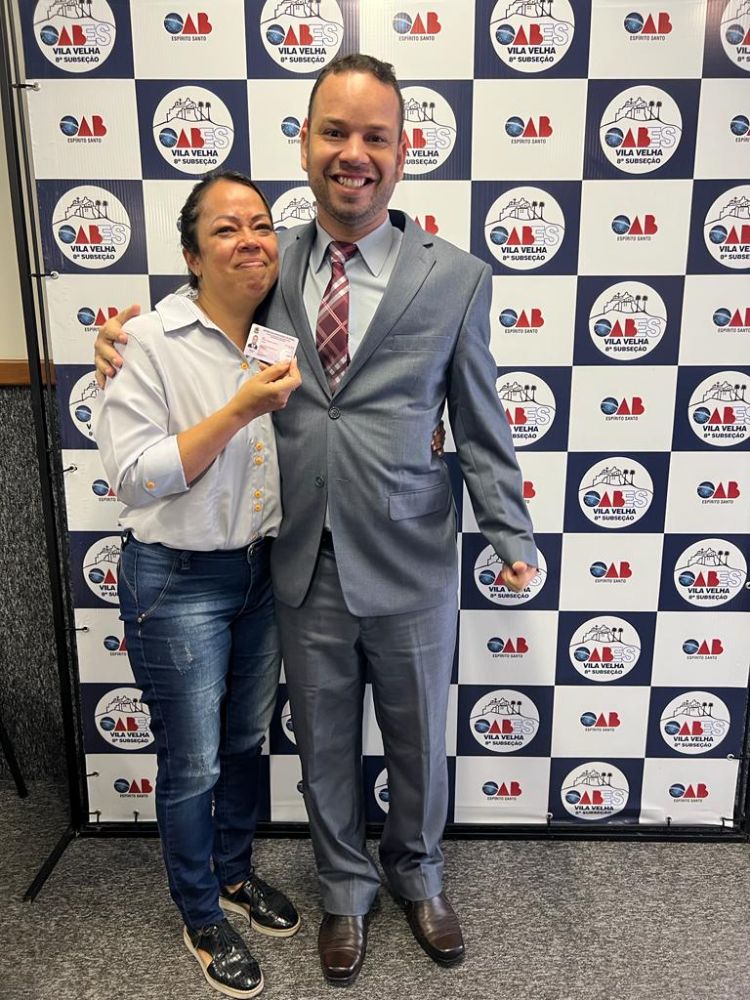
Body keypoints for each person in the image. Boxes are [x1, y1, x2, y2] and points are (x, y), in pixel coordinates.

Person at [96, 54, 537, 988]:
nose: (354, 153)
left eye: (375, 136)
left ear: (404, 152)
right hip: (302, 561)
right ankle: (343, 889)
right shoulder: (271, 262)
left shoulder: (456, 277)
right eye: (334, 131)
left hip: (413, 555)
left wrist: (510, 530)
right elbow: (199, 317)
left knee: (419, 742)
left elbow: (481, 415)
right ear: (304, 145)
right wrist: (116, 342)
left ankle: (419, 875)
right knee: (324, 743)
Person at [93, 171, 302, 1000]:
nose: (250, 240)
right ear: (191, 254)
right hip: (177, 580)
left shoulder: (282, 330)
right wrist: (239, 410)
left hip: (261, 571)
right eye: (226, 228)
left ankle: (233, 873)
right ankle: (199, 912)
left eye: (261, 225)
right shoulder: (146, 341)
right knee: (192, 761)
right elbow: (136, 477)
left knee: (245, 741)